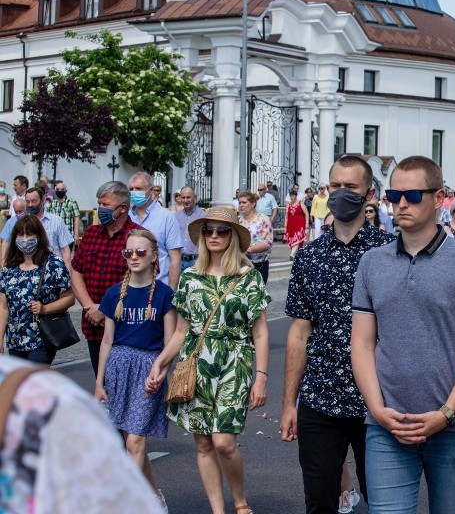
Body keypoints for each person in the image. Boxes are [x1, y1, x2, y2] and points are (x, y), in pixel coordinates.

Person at [351, 155, 455, 513]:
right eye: (394, 195)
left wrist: (446, 413)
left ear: (439, 197)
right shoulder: (372, 262)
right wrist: (377, 409)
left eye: (413, 195)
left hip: (454, 425)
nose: (401, 203)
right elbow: (362, 343)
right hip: (387, 425)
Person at [281, 155, 394, 514]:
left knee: (384, 503)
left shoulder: (390, 253)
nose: (340, 194)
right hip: (320, 399)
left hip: (378, 401)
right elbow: (299, 334)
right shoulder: (308, 257)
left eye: (351, 187)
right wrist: (288, 403)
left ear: (369, 194)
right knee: (319, 503)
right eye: (335, 186)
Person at [146, 207, 270, 514]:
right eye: (208, 231)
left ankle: (240, 502)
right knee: (203, 443)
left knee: (224, 441)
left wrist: (262, 376)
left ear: (233, 237)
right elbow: (181, 331)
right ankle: (217, 510)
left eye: (222, 231)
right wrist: (161, 364)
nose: (214, 236)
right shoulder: (190, 277)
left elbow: (261, 333)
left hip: (235, 362)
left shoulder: (248, 277)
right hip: (196, 363)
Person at [0, 356, 166, 513]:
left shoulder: (45, 400)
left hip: (143, 368)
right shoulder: (53, 396)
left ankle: (152, 496)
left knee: (134, 442)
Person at [94, 229, 176, 511]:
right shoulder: (114, 293)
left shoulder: (166, 294)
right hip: (119, 367)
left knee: (136, 440)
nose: (134, 257)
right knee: (131, 440)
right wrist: (99, 382)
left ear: (154, 256)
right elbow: (106, 341)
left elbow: (170, 341)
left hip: (149, 368)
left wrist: (162, 371)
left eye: (141, 252)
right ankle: (154, 498)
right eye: (128, 252)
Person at [72, 182, 143, 374]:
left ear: (122, 208)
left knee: (124, 386)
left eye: (105, 205)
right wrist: (89, 307)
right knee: (101, 383)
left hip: (125, 328)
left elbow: (143, 283)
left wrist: (107, 311)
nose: (100, 209)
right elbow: (76, 272)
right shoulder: (91, 234)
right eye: (99, 204)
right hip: (94, 324)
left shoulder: (138, 237)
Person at [0, 215, 74, 364]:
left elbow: (69, 298)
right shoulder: (9, 268)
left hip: (41, 340)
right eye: (21, 234)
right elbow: (3, 308)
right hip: (15, 340)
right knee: (18, 385)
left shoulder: (54, 265)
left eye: (29, 234)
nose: (25, 238)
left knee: (33, 383)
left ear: (39, 236)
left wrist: (45, 308)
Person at [128, 172, 182, 290]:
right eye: (131, 189)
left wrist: (170, 293)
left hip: (158, 288)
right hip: (128, 289)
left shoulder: (167, 217)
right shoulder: (126, 217)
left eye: (138, 189)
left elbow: (175, 259)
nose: (134, 192)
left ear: (151, 190)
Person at [18, 187, 73, 269]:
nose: (30, 205)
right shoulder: (22, 223)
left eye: (34, 201)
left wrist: (66, 273)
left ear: (43, 200)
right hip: (30, 271)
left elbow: (65, 251)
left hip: (53, 270)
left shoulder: (56, 221)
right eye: (27, 202)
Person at [237, 191, 273, 283]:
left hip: (259, 265)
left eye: (244, 202)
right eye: (240, 202)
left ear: (253, 204)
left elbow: (267, 243)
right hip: (241, 264)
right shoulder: (238, 220)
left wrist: (248, 250)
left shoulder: (263, 219)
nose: (241, 205)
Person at [173, 185, 207, 272]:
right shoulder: (176, 217)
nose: (185, 200)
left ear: (195, 197)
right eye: (183, 197)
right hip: (178, 261)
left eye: (188, 197)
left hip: (196, 261)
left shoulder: (203, 216)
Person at [46, 180, 81, 248]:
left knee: (66, 256)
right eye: (58, 189)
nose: (59, 191)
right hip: (54, 236)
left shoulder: (72, 202)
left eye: (62, 189)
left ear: (66, 191)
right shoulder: (52, 203)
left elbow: (76, 218)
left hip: (68, 236)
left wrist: (76, 234)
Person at [283, 190, 310, 260]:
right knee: (292, 240)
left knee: (297, 238)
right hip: (291, 225)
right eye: (290, 196)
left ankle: (292, 254)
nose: (291, 197)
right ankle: (298, 253)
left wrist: (306, 224)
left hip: (300, 224)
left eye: (293, 196)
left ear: (295, 196)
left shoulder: (300, 203)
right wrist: (285, 226)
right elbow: (286, 216)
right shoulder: (289, 205)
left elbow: (306, 213)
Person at [0, 197, 26, 266]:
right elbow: (5, 241)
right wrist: (2, 262)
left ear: (26, 209)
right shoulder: (10, 222)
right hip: (14, 258)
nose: (18, 214)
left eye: (20, 211)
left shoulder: (32, 221)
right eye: (16, 212)